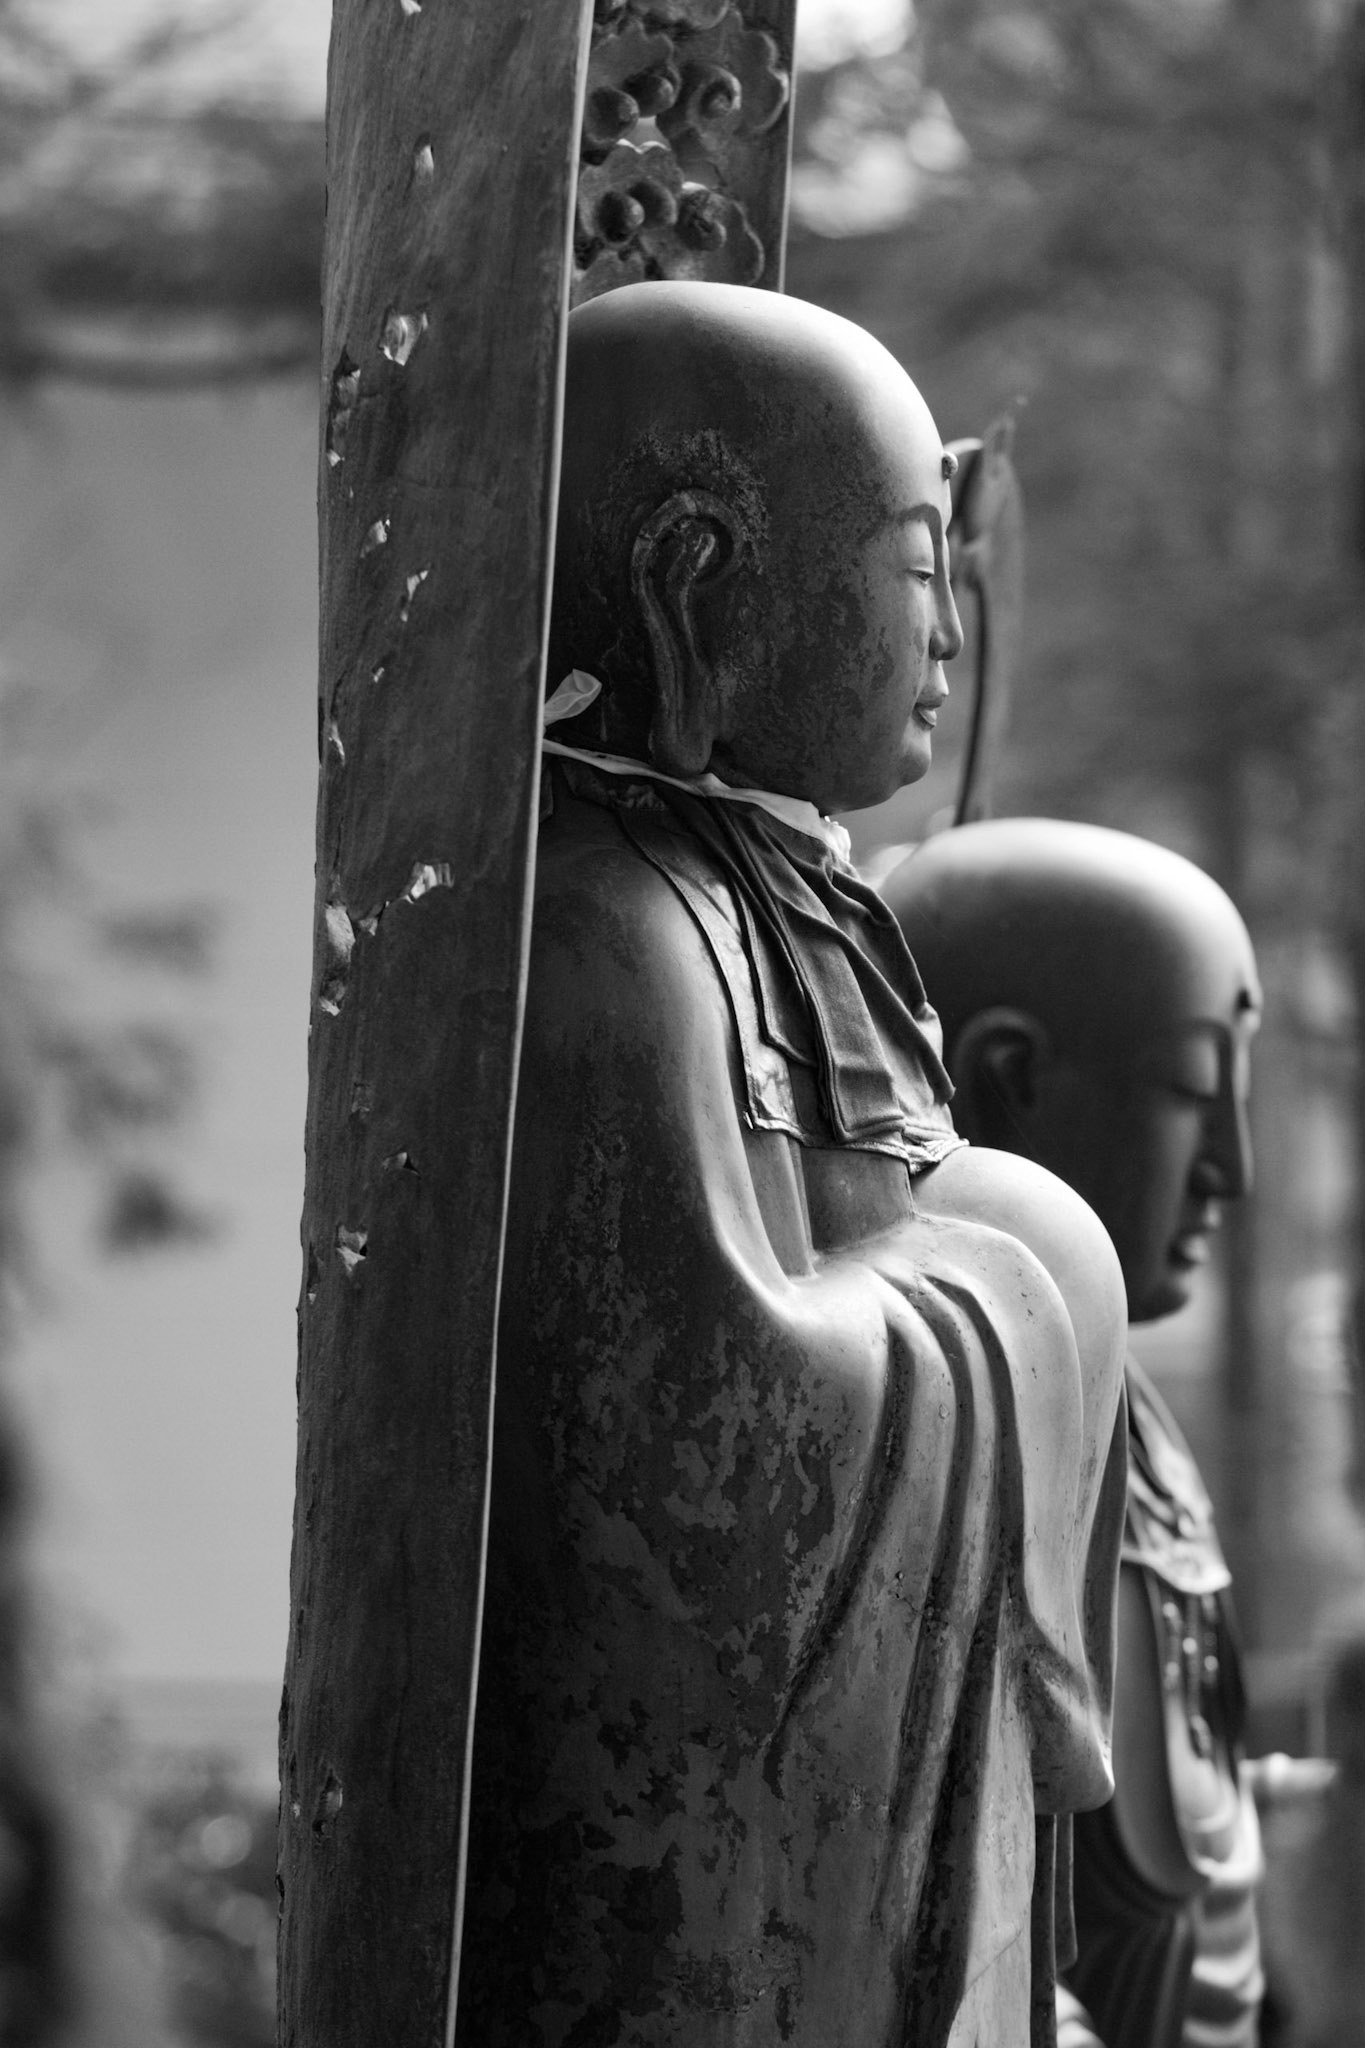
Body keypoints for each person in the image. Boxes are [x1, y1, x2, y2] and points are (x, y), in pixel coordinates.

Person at [457, 285, 1128, 2047]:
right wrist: (1006, 1279)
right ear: (695, 577)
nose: (949, 635)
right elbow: (690, 1449)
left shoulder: (778, 898)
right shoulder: (607, 929)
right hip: (702, 1877)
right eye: (915, 569)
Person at [883, 816, 1267, 2048]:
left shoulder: (1140, 1429)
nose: (1233, 1167)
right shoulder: (940, 1434)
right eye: (1194, 1094)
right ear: (1008, 1079)